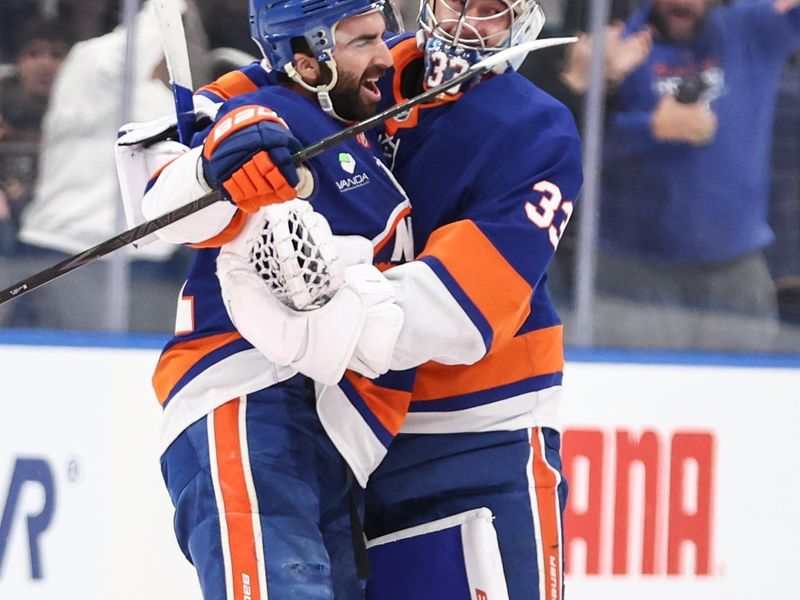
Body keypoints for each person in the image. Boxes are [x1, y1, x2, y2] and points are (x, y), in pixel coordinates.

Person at [138, 0, 413, 597]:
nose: (384, 56)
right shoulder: (260, 108)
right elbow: (164, 204)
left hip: (330, 429)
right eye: (362, 41)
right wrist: (214, 166)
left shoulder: (368, 132)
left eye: (382, 36)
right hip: (247, 398)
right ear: (308, 63)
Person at [595, 0, 800, 351]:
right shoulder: (619, 43)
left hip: (735, 265)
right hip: (632, 268)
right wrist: (650, 128)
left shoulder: (749, 27)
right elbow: (577, 141)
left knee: (746, 395)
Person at [0, 1, 191, 332]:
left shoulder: (160, 97)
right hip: (63, 249)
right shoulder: (88, 64)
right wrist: (173, 4)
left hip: (142, 262)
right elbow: (138, 46)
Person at [0, 17, 71, 256]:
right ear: (19, 62)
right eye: (34, 53)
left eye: (57, 55)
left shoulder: (88, 121)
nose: (45, 64)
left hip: (62, 228)